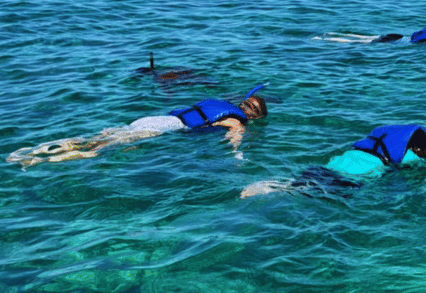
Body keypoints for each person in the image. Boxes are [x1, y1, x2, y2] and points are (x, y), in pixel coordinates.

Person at [7, 85, 268, 168]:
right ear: (253, 116)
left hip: (154, 119)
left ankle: (35, 149)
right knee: (99, 148)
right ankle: (38, 161)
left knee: (99, 136)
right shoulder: (236, 119)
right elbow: (234, 135)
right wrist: (237, 157)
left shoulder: (219, 102)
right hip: (163, 129)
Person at [241, 122, 426, 198]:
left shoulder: (384, 137)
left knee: (301, 184)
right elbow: (421, 166)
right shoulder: (410, 156)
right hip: (352, 177)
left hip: (337, 163)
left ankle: (274, 185)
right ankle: (275, 189)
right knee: (308, 193)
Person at [315, 23, 426, 45]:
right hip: (396, 42)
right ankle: (332, 39)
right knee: (363, 43)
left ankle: (331, 34)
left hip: (399, 35)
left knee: (368, 37)